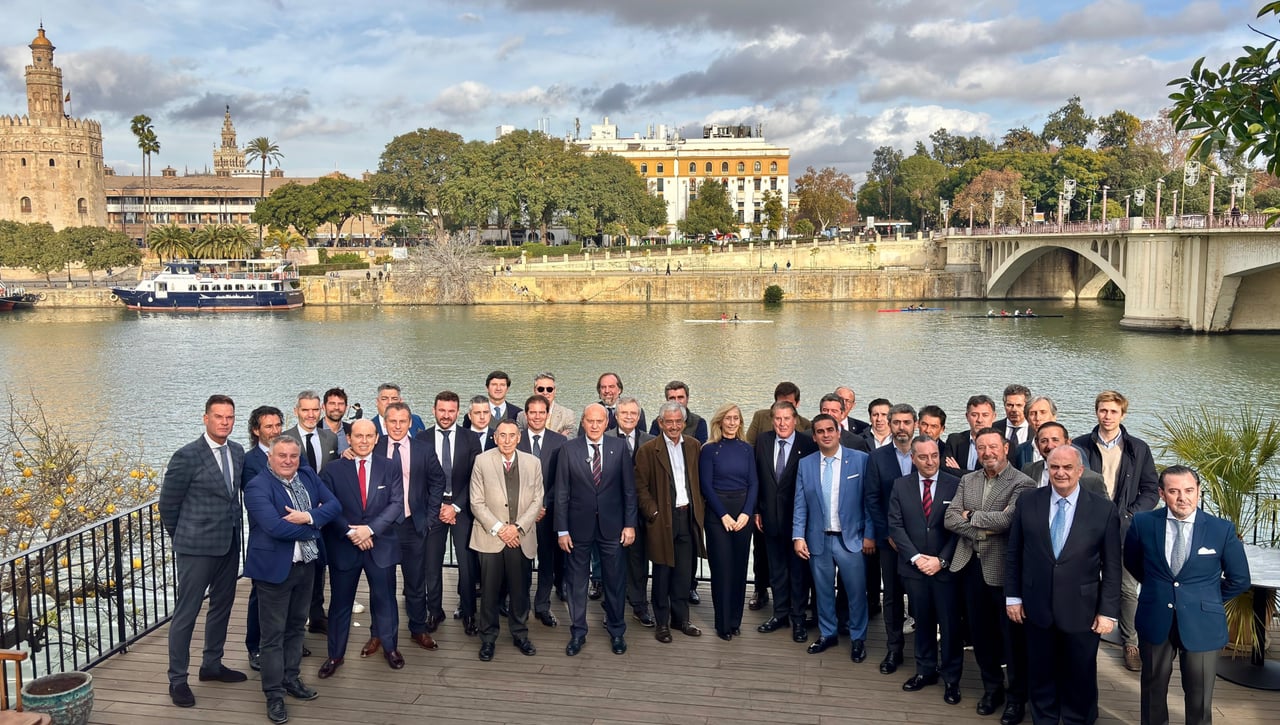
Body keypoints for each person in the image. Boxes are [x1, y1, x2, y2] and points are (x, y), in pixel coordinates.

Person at [1005, 445, 1122, 725]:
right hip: (1036, 606)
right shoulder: (1028, 501)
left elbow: (1112, 565)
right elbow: (1014, 553)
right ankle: (1044, 718)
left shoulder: (1103, 510)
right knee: (1040, 670)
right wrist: (1013, 597)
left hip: (1082, 608)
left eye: (1067, 467)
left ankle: (1076, 718)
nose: (1060, 473)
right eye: (1054, 467)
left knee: (1079, 672)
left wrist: (1108, 612)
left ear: (1080, 471)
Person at [1124, 466, 1250, 725]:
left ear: (1199, 492)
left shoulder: (1221, 529)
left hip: (1203, 624)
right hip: (1155, 617)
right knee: (1152, 690)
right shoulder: (1143, 523)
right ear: (1161, 493)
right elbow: (1133, 563)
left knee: (1199, 697)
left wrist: (1207, 601)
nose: (1183, 497)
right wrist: (1158, 591)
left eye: (1189, 490)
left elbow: (1239, 579)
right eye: (1174, 491)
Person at [243, 436, 341, 725]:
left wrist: (308, 516)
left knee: (297, 627)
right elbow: (273, 526)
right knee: (272, 636)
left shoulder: (308, 475)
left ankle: (291, 679)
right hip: (273, 570)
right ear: (270, 457)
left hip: (306, 566)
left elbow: (334, 505)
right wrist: (315, 528)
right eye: (282, 455)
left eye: (293, 456)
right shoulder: (257, 486)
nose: (288, 461)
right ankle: (273, 695)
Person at [158, 395, 247, 709]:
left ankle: (212, 665)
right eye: (219, 416)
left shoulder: (237, 452)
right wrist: (184, 537)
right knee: (186, 614)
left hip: (230, 543)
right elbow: (168, 506)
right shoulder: (186, 456)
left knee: (222, 606)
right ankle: (177, 680)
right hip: (196, 548)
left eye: (230, 417)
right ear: (205, 418)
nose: (225, 422)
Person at [944, 427, 1034, 724]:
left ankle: (1016, 698)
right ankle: (991, 689)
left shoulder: (1023, 483)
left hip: (1003, 571)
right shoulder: (968, 479)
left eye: (993, 447)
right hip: (970, 568)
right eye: (981, 448)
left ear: (1005, 448)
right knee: (981, 636)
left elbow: (1009, 520)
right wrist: (983, 527)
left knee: (1012, 640)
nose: (987, 453)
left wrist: (970, 517)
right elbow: (950, 518)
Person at [1072, 390, 1159, 672]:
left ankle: (1130, 643)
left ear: (1122, 414)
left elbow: (1150, 490)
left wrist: (1131, 514)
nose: (1107, 416)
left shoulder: (1138, 448)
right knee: (1081, 583)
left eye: (1113, 411)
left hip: (1124, 527)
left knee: (1126, 587)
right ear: (1096, 412)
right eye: (1102, 410)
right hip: (1087, 524)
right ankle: (1080, 633)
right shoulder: (1081, 445)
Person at [319, 419, 404, 678]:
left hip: (381, 545)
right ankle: (335, 655)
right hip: (345, 546)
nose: (364, 441)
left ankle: (390, 648)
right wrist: (352, 532)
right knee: (340, 604)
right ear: (349, 438)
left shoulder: (390, 467)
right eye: (358, 436)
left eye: (369, 436)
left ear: (377, 438)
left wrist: (370, 530)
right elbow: (328, 507)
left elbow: (397, 503)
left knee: (386, 600)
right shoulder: (332, 470)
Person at [791, 414, 876, 662]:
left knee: (856, 592)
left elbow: (869, 502)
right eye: (820, 431)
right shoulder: (806, 464)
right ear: (814, 436)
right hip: (818, 539)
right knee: (823, 591)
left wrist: (869, 535)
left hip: (851, 539)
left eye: (830, 430)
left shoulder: (860, 460)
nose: (826, 435)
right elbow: (800, 504)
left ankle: (858, 638)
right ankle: (828, 633)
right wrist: (798, 536)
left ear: (839, 432)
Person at [555, 403, 638, 656]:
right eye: (589, 421)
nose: (594, 425)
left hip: (612, 528)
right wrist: (562, 530)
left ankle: (617, 631)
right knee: (577, 583)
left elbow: (628, 491)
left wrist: (629, 524)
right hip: (577, 529)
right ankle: (578, 632)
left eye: (599, 421)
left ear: (607, 423)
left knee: (614, 582)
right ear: (582, 422)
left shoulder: (619, 447)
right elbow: (561, 493)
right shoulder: (568, 449)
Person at [888, 437, 963, 704]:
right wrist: (917, 558)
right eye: (923, 457)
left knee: (950, 625)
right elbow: (895, 526)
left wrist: (940, 561)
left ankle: (952, 679)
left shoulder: (956, 485)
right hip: (914, 569)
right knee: (923, 622)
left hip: (946, 570)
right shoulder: (900, 485)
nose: (930, 461)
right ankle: (925, 670)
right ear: (913, 459)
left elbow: (960, 531)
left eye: (934, 455)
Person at [371, 401, 447, 655]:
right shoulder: (374, 446)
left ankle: (417, 628)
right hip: (382, 528)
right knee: (382, 584)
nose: (397, 426)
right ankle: (379, 633)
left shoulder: (423, 450)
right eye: (392, 421)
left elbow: (438, 481)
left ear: (410, 423)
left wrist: (431, 516)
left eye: (403, 421)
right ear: (385, 422)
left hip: (413, 526)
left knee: (415, 583)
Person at [470, 420, 544, 661]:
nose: (507, 440)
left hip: (520, 537)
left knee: (520, 589)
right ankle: (488, 638)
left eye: (512, 435)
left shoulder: (533, 463)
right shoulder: (482, 461)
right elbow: (476, 502)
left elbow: (537, 501)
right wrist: (501, 529)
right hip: (492, 537)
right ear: (495, 437)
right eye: (502, 435)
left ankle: (520, 634)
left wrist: (518, 528)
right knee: (489, 592)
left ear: (519, 438)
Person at [634, 402, 705, 643]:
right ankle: (662, 623)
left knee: (684, 573)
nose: (674, 426)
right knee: (663, 571)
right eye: (669, 422)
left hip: (687, 517)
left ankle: (681, 619)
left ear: (684, 423)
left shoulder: (695, 446)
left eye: (678, 422)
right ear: (660, 423)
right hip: (662, 518)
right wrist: (652, 513)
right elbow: (640, 487)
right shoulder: (648, 450)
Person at [416, 391, 481, 636]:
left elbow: (475, 478)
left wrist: (454, 507)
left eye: (451, 411)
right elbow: (420, 479)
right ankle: (435, 611)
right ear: (434, 410)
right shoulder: (421, 438)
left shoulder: (471, 439)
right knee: (431, 565)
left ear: (458, 412)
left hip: (462, 509)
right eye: (441, 410)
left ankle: (468, 612)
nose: (446, 415)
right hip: (433, 509)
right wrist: (438, 507)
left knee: (467, 565)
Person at [754, 400, 819, 644]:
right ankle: (779, 614)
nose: (782, 423)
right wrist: (757, 510)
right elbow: (758, 477)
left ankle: (798, 618)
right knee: (777, 569)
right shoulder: (763, 440)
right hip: (769, 518)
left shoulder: (807, 443)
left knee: (798, 572)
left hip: (798, 521)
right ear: (772, 420)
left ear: (795, 420)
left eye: (786, 418)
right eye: (777, 419)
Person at [864, 403, 918, 674]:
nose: (901, 428)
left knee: (923, 598)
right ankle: (894, 649)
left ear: (915, 425)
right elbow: (872, 499)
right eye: (896, 422)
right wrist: (887, 534)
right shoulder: (878, 457)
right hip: (891, 543)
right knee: (893, 596)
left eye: (906, 422)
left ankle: (924, 652)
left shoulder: (930, 452)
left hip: (923, 542)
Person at [699, 404, 758, 640]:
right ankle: (722, 624)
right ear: (720, 421)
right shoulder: (709, 449)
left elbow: (754, 483)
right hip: (718, 515)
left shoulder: (746, 449)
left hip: (743, 515)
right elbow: (706, 485)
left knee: (739, 568)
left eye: (736, 418)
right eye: (728, 418)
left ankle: (735, 621)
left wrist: (746, 513)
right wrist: (723, 514)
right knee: (722, 570)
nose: (732, 422)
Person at [284, 390, 339, 636]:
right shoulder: (285, 438)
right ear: (296, 411)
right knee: (297, 568)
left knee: (320, 565)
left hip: (323, 515)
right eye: (305, 410)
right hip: (294, 516)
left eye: (315, 410)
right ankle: (296, 619)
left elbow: (332, 473)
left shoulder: (330, 438)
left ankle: (317, 615)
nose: (310, 414)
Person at [518, 394, 568, 626]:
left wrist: (543, 505)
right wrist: (529, 508)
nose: (537, 417)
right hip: (520, 513)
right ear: (526, 415)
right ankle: (520, 604)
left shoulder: (559, 442)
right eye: (532, 412)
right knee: (522, 562)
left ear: (547, 415)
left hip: (548, 512)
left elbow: (562, 479)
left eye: (541, 412)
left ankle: (542, 606)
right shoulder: (515, 440)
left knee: (548, 563)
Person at [241, 405, 285, 672]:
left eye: (278, 425)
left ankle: (287, 642)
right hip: (265, 538)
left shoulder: (290, 453)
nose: (275, 430)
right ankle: (254, 647)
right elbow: (255, 500)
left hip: (293, 538)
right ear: (256, 430)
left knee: (289, 595)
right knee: (260, 596)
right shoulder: (249, 461)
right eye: (269, 426)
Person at [615, 397, 657, 626]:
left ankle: (640, 606)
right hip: (612, 513)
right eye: (624, 413)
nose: (629, 417)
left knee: (639, 563)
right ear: (616, 415)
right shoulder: (605, 438)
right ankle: (613, 609)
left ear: (639, 416)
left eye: (633, 413)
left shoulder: (651, 441)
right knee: (614, 564)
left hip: (641, 514)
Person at [1021, 422, 1106, 496]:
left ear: (1068, 443)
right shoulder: (1028, 470)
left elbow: (1105, 511)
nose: (1050, 446)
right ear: (1037, 445)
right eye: (1044, 441)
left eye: (1055, 440)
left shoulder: (1092, 480)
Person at [944, 394, 997, 476]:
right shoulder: (954, 440)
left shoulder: (1001, 444)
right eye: (974, 415)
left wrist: (959, 471)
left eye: (985, 415)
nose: (979, 420)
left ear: (994, 417)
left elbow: (992, 474)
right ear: (967, 416)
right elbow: (945, 470)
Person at [517, 372, 577, 436]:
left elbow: (570, 441)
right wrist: (559, 437)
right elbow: (519, 440)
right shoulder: (521, 416)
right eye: (541, 389)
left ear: (554, 390)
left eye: (549, 389)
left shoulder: (568, 415)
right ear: (534, 390)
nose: (545, 393)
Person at [993, 384, 1031, 449]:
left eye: (1019, 405)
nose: (1014, 409)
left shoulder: (1036, 430)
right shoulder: (993, 428)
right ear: (1004, 405)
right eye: (1009, 405)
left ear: (1027, 406)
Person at [322, 387, 352, 454]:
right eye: (332, 403)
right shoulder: (314, 431)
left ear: (346, 408)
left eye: (341, 404)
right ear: (323, 407)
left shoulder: (352, 431)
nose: (336, 407)